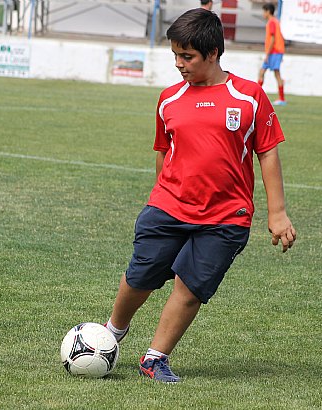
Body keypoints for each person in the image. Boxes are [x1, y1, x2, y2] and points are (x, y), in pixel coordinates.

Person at [104, 8, 296, 383]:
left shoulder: (249, 97)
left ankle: (155, 358)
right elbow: (163, 152)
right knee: (141, 274)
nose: (179, 64)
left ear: (213, 53)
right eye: (175, 55)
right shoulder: (168, 99)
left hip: (226, 216)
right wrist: (161, 197)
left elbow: (268, 151)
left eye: (187, 56)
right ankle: (110, 334)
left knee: (191, 287)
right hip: (168, 207)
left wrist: (278, 213)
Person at [257, 3, 285, 105]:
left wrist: (267, 54)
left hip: (274, 52)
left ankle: (281, 99)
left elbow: (273, 39)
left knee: (274, 74)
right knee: (263, 72)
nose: (263, 14)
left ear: (268, 11)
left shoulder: (272, 22)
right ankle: (257, 96)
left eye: (264, 11)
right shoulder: (274, 21)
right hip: (276, 51)